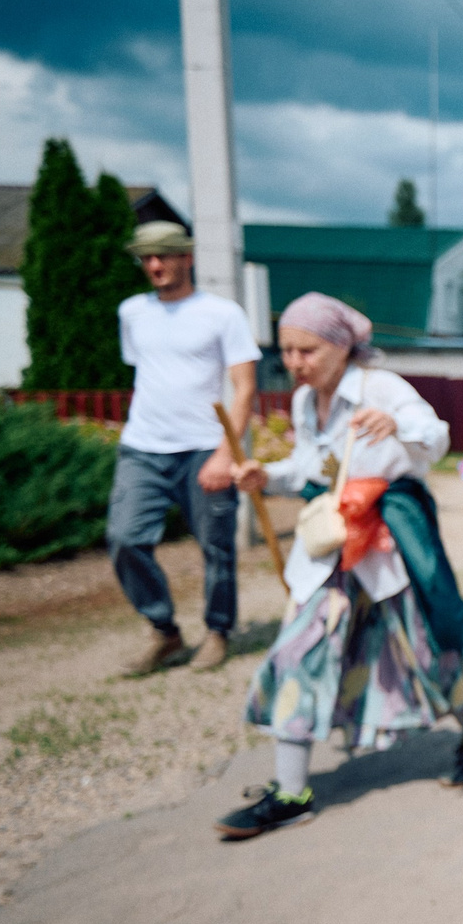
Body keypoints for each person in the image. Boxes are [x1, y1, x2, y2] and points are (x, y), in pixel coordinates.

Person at [224, 294, 463, 839]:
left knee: (425, 650)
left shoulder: (381, 387)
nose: (296, 362)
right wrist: (267, 476)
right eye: (287, 350)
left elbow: (437, 435)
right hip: (330, 546)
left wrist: (395, 423)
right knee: (299, 650)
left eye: (308, 349)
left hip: (386, 546)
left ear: (342, 346)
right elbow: (311, 465)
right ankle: (291, 791)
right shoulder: (306, 402)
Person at [106, 220, 258, 677]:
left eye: (164, 256)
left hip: (203, 450)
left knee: (216, 546)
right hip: (143, 446)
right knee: (124, 537)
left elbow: (245, 387)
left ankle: (217, 632)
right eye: (147, 258)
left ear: (186, 258)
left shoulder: (222, 314)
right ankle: (164, 631)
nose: (155, 265)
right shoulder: (132, 312)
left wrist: (224, 454)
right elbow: (147, 371)